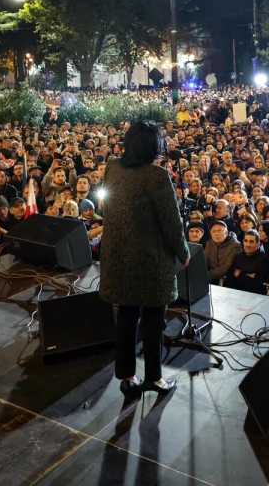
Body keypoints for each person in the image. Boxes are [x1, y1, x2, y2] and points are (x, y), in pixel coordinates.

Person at [98, 120, 189, 398]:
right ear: (154, 146)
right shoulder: (156, 176)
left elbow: (108, 208)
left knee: (125, 316)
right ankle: (154, 378)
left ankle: (127, 377)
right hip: (151, 261)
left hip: (119, 257)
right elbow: (172, 223)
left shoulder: (112, 166)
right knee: (152, 319)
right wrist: (183, 254)